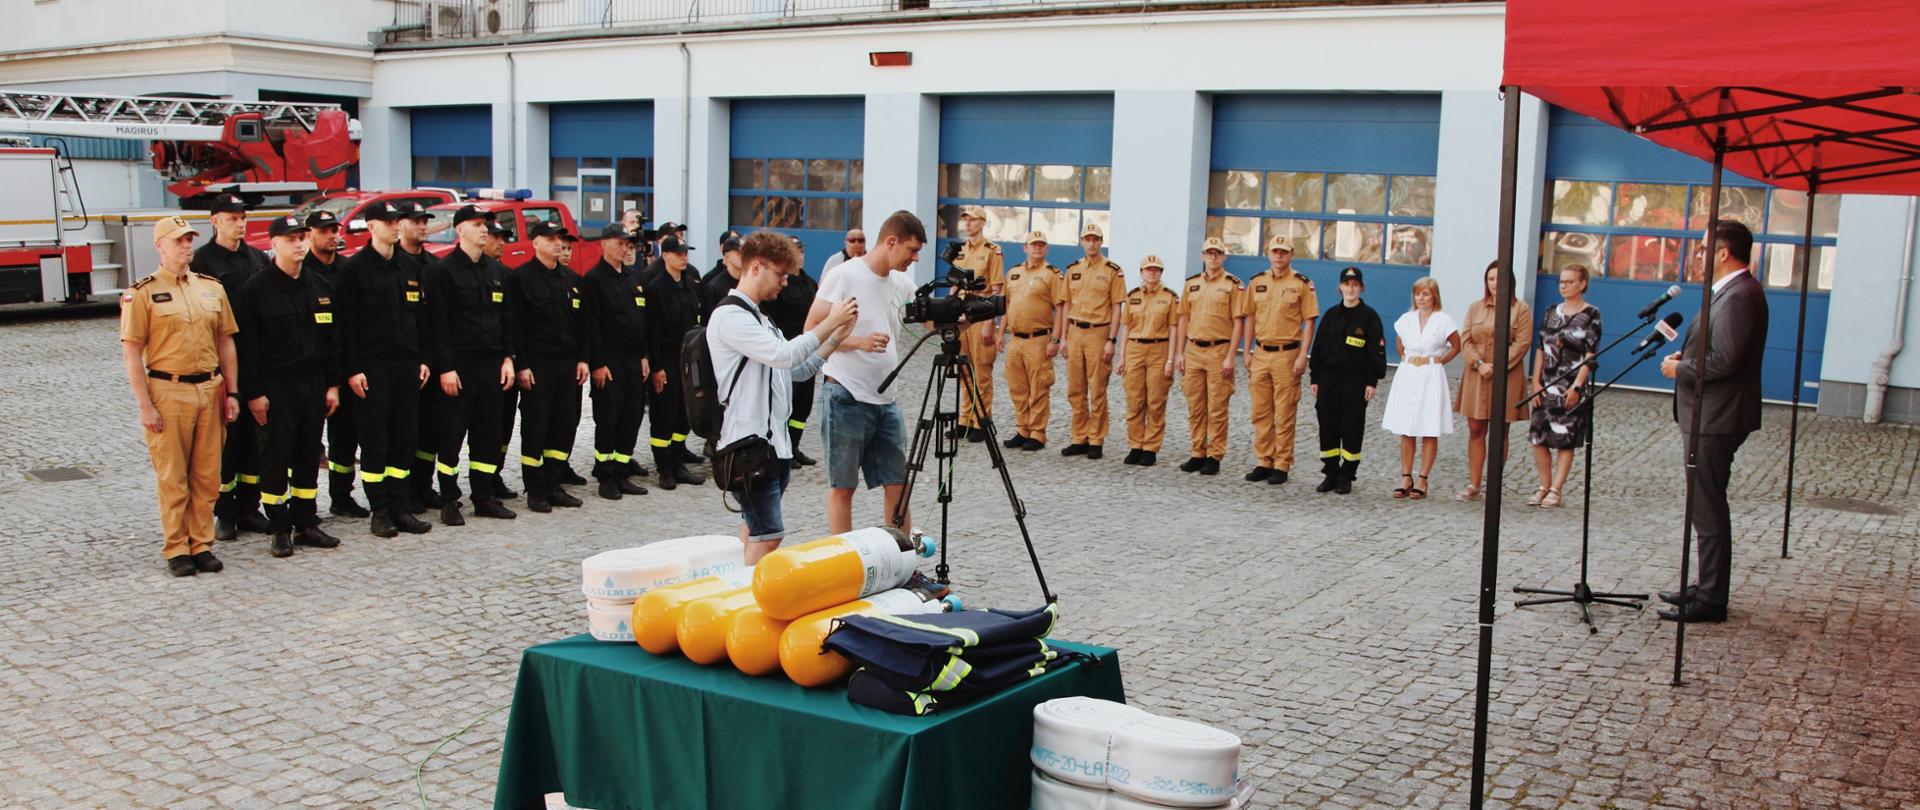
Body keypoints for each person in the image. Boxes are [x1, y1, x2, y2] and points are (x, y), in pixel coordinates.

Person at [708, 232, 860, 562]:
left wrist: (834, 339)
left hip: (773, 447)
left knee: (754, 531)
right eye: (781, 274)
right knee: (768, 535)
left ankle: (737, 594)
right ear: (756, 267)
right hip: (747, 445)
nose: (785, 283)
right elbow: (783, 355)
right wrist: (829, 321)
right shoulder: (730, 317)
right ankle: (741, 602)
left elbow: (795, 371)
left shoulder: (760, 318)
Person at [1658, 220, 1768, 624]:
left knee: (1707, 506)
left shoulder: (1740, 295)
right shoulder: (1728, 291)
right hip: (1708, 412)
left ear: (1723, 253)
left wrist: (1680, 367)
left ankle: (1712, 597)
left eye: (1704, 249)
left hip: (1717, 417)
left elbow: (1725, 360)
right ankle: (1705, 584)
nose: (1698, 255)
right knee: (1702, 503)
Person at [121, 217, 240, 576]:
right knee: (173, 476)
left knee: (207, 475)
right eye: (178, 240)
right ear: (160, 245)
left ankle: (201, 544)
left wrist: (232, 391)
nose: (187, 245)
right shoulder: (141, 293)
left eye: (189, 239)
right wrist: (145, 405)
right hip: (168, 391)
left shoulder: (211, 289)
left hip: (209, 388)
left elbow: (226, 341)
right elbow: (131, 352)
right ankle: (177, 547)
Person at [806, 210, 923, 534]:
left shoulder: (901, 282)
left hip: (887, 399)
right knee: (843, 488)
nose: (914, 259)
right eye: (911, 251)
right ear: (891, 241)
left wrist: (963, 313)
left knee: (899, 484)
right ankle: (843, 563)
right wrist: (857, 341)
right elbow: (811, 329)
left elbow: (927, 319)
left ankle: (901, 557)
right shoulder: (844, 275)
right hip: (845, 394)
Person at [234, 214, 344, 557]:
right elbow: (247, 348)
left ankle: (307, 522)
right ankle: (280, 527)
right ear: (274, 244)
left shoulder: (318, 285)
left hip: (312, 385)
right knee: (275, 457)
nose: (298, 244)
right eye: (290, 239)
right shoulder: (256, 288)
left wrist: (332, 386)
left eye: (301, 238)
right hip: (275, 386)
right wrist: (253, 393)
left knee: (308, 454)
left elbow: (332, 342)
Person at [334, 200, 434, 537]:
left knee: (404, 440)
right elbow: (344, 326)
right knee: (376, 443)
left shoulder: (409, 267)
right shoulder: (354, 270)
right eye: (389, 222)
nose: (396, 226)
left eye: (398, 221)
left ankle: (400, 506)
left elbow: (421, 319)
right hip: (372, 370)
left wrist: (423, 359)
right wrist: (352, 369)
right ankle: (380, 511)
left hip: (406, 368)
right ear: (371, 227)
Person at [422, 205, 519, 524]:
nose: (484, 230)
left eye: (486, 225)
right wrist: (446, 368)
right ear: (460, 230)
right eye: (477, 224)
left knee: (487, 433)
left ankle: (483, 496)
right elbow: (437, 325)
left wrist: (508, 358)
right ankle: (450, 499)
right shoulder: (443, 271)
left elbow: (507, 320)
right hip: (459, 365)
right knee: (451, 434)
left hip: (490, 363)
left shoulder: (497, 272)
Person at [192, 195, 271, 542]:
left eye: (243, 218)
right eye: (232, 218)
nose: (240, 223)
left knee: (255, 442)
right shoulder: (202, 260)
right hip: (220, 361)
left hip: (255, 359)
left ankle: (250, 508)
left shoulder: (256, 258)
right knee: (226, 443)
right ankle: (225, 511)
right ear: (215, 222)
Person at [509, 220, 589, 512]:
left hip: (567, 364)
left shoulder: (571, 279)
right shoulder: (521, 279)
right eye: (551, 238)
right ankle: (535, 488)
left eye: (561, 239)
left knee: (564, 426)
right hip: (538, 364)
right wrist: (523, 365)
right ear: (535, 242)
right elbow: (516, 327)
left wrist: (583, 359)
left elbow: (581, 326)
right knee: (536, 427)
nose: (558, 243)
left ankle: (555, 483)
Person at [581, 223, 653, 501]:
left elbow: (642, 322)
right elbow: (591, 325)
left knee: (631, 417)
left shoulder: (633, 278)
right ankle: (606, 473)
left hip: (633, 360)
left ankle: (623, 470)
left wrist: (645, 356)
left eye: (629, 244)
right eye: (620, 243)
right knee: (608, 419)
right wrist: (597, 363)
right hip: (609, 361)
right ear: (604, 243)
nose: (626, 248)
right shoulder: (594, 279)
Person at [304, 210, 368, 518]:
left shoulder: (348, 270)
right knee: (306, 439)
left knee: (345, 435)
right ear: (310, 234)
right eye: (325, 231)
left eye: (334, 230)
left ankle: (341, 495)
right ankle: (303, 504)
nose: (332, 235)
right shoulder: (301, 270)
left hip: (344, 364)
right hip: (311, 367)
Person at [1239, 235, 1318, 485]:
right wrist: (1247, 350)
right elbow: (1249, 317)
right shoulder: (1256, 282)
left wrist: (1303, 355)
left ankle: (1282, 463)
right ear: (1268, 253)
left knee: (1284, 411)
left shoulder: (1301, 284)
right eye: (1275, 251)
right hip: (1261, 353)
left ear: (1291, 255)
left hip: (1287, 354)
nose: (1279, 256)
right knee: (1261, 411)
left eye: (1284, 252)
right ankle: (1264, 460)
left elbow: (1309, 321)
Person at [1454, 260, 1532, 502]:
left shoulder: (1520, 309)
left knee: (1500, 430)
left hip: (1506, 374)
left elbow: (1522, 342)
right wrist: (1478, 364)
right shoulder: (1475, 307)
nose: (1495, 283)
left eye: (1500, 278)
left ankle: (1494, 483)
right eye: (1490, 279)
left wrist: (1497, 366)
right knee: (1476, 428)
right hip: (1477, 374)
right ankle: (1474, 483)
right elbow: (1465, 339)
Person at [1527, 264, 1601, 510]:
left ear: (1582, 284)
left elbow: (1591, 354)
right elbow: (1540, 347)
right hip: (1546, 382)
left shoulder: (1591, 313)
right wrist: (1535, 381)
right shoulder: (1550, 311)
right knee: (1539, 436)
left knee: (1564, 438)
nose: (1564, 285)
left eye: (1570, 281)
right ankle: (1543, 485)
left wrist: (1577, 386)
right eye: (1561, 281)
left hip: (1570, 384)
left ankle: (1556, 489)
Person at [1380, 277, 1460, 500]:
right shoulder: (1406, 319)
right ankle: (1406, 476)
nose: (1421, 298)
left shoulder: (1443, 320)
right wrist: (1407, 359)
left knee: (1428, 426)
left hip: (1430, 374)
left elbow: (1456, 345)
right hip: (1408, 373)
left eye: (1426, 294)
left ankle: (1423, 478)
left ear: (1434, 296)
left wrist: (1439, 361)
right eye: (1418, 294)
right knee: (1407, 426)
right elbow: (1399, 344)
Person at [1308, 267, 1385, 494]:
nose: (1350, 289)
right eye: (1346, 284)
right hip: (1329, 380)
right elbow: (1319, 348)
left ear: (1361, 288)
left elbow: (1377, 352)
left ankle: (1347, 474)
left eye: (1355, 285)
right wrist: (1315, 377)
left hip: (1355, 382)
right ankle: (1331, 472)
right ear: (1340, 287)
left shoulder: (1369, 317)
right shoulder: (1331, 315)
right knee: (1328, 427)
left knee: (1351, 428)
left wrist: (1372, 381)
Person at [641, 235, 708, 490]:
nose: (684, 257)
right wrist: (656, 367)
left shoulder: (690, 284)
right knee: (664, 414)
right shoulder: (656, 288)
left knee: (684, 412)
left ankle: (678, 461)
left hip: (688, 359)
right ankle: (664, 468)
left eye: (685, 253)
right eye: (678, 253)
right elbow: (653, 331)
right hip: (666, 359)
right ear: (665, 255)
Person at [1176, 237, 1245, 476]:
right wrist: (1179, 352)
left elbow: (1238, 323)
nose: (1213, 257)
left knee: (1217, 406)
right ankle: (1197, 452)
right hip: (1194, 350)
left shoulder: (1233, 285)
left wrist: (1230, 357)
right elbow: (1183, 318)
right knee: (1195, 405)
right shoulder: (1191, 284)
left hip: (1219, 351)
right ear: (1202, 256)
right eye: (1209, 253)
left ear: (1224, 256)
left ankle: (1214, 455)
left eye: (1217, 253)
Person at [1059, 222, 1125, 459]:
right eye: (1087, 239)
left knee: (1097, 388)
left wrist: (1112, 339)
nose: (1091, 243)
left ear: (1101, 241)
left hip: (1099, 332)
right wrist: (1064, 337)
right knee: (1075, 389)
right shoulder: (1073, 269)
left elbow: (1117, 307)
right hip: (1075, 332)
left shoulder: (1112, 270)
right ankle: (1079, 437)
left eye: (1095, 239)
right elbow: (1066, 303)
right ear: (1082, 241)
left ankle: (1096, 439)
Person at [396, 201, 445, 514]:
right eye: (415, 221)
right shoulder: (394, 263)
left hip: (431, 360)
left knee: (431, 429)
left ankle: (423, 486)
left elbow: (438, 318)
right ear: (399, 225)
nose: (423, 226)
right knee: (405, 431)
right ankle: (405, 493)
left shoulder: (433, 267)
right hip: (402, 361)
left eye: (425, 221)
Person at [999, 231, 1066, 451]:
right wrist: (1001, 333)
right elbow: (1007, 306)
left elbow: (1061, 308)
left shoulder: (1052, 274)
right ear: (1025, 248)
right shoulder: (1014, 272)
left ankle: (1037, 432)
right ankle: (1022, 429)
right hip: (1016, 339)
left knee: (1039, 386)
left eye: (1041, 245)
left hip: (1039, 338)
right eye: (1033, 244)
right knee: (1017, 387)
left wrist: (1056, 339)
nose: (1037, 248)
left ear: (1046, 249)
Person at [763, 234, 823, 466]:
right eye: (795, 251)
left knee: (802, 405)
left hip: (807, 350)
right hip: (786, 349)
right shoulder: (780, 285)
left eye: (801, 250)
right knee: (784, 402)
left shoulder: (810, 283)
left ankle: (794, 445)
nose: (800, 255)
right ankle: (782, 447)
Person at [1113, 254, 1177, 466]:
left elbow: (1173, 329)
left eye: (1156, 269)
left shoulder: (1169, 297)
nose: (1152, 272)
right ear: (1141, 272)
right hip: (1134, 350)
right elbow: (1127, 328)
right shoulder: (1132, 297)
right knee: (1135, 400)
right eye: (1148, 269)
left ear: (1161, 273)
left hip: (1159, 349)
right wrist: (1122, 358)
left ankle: (1150, 447)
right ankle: (1135, 445)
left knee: (1156, 401)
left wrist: (1171, 360)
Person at [950, 207, 1005, 443]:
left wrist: (988, 323)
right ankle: (964, 419)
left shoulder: (992, 251)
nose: (968, 224)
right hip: (962, 314)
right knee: (964, 369)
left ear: (982, 223)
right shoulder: (960, 250)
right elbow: (953, 283)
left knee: (981, 370)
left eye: (972, 220)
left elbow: (997, 289)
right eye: (965, 220)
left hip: (981, 313)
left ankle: (981, 421)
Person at [483, 219, 526, 499]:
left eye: (504, 238)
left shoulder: (507, 276)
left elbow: (513, 322)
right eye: (496, 237)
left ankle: (494, 475)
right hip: (478, 363)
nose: (502, 242)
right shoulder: (455, 271)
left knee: (502, 425)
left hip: (506, 364)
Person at [703, 235, 745, 313]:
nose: (743, 257)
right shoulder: (714, 287)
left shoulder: (750, 284)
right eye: (738, 253)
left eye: (745, 253)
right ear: (727, 256)